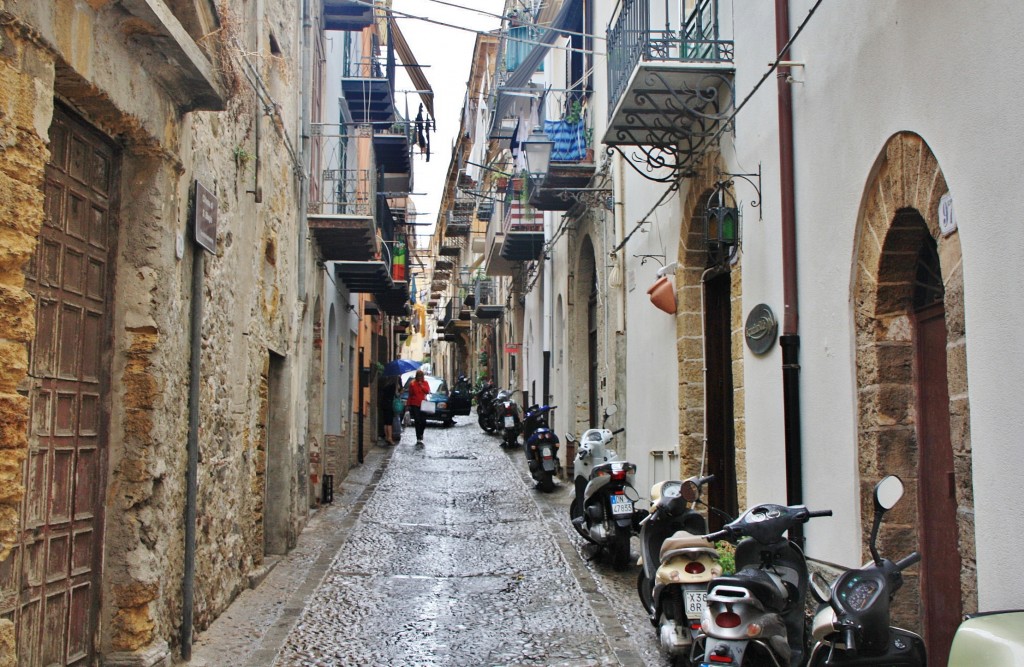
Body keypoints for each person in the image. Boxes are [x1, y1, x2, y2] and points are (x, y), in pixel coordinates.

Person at [405, 369, 431, 447]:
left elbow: (427, 391)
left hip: (423, 404)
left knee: (423, 421)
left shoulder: (425, 383)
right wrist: (408, 405)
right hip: (415, 404)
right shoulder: (412, 384)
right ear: (416, 376)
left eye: (421, 376)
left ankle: (421, 433)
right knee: (417, 420)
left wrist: (421, 385)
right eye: (418, 376)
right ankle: (418, 437)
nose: (420, 378)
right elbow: (410, 395)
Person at [380, 377, 398, 446]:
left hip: (384, 404)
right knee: (389, 422)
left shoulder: (385, 385)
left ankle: (387, 437)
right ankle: (390, 438)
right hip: (389, 405)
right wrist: (399, 390)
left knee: (385, 422)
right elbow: (396, 395)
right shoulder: (392, 385)